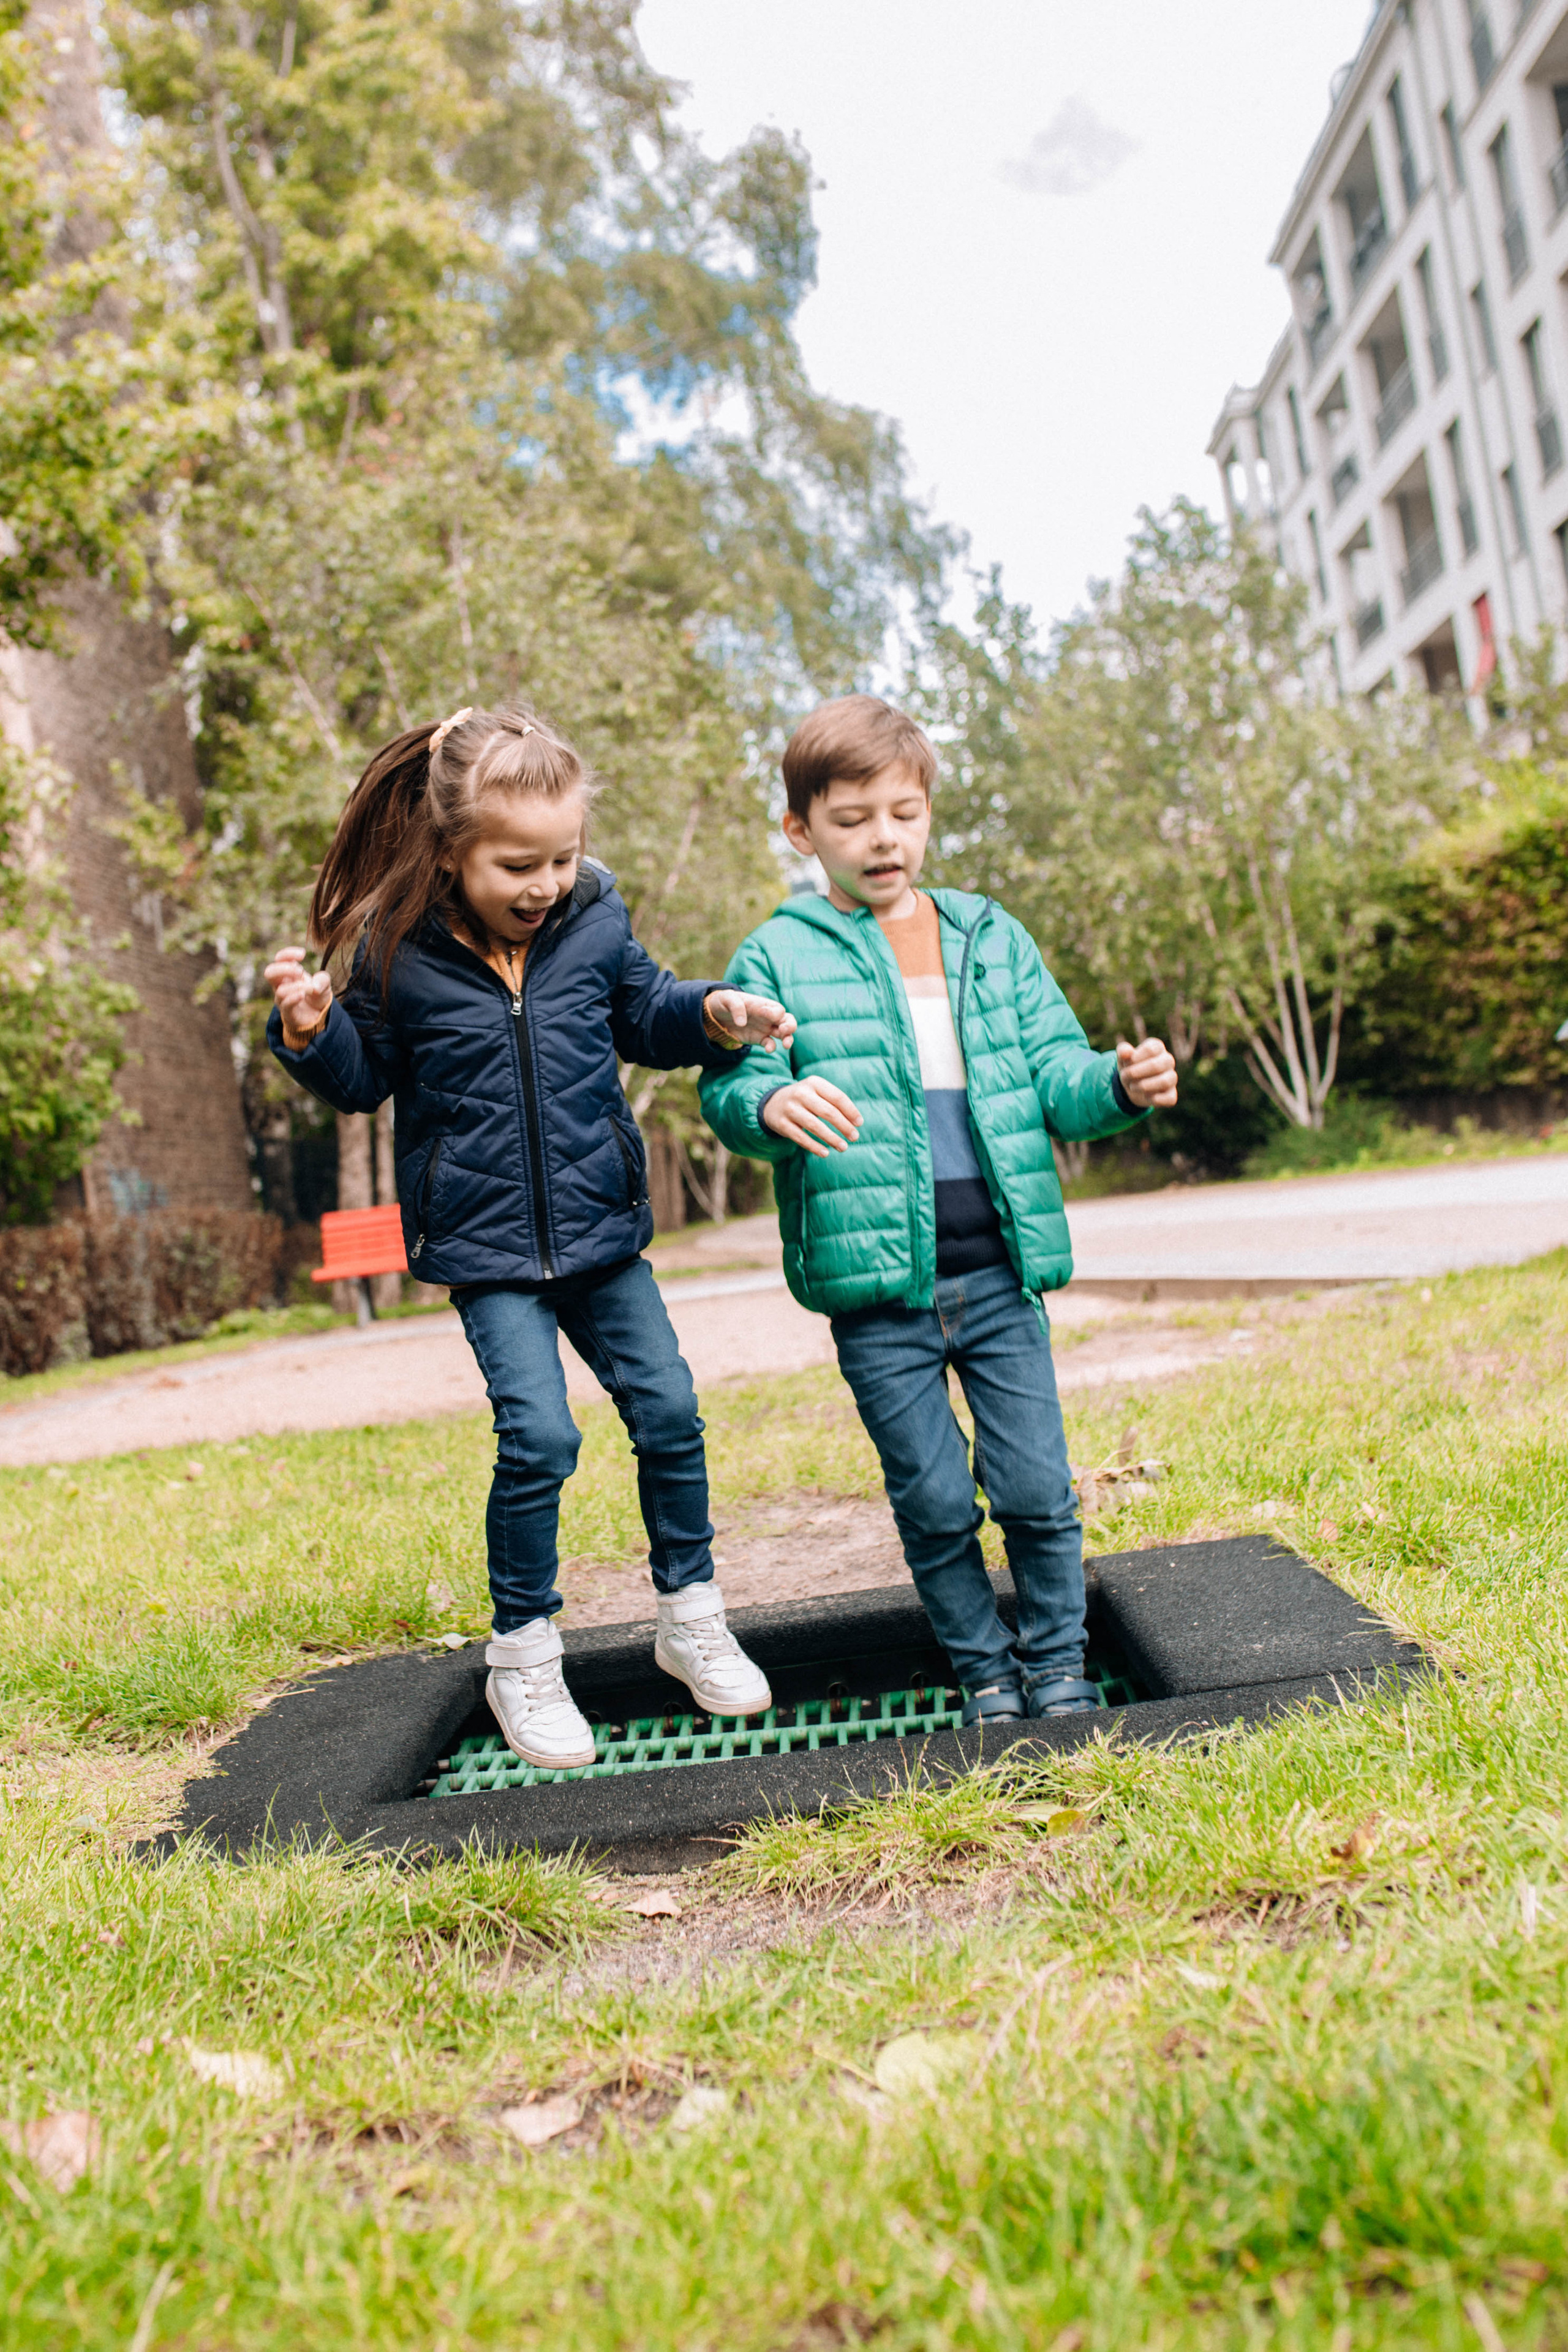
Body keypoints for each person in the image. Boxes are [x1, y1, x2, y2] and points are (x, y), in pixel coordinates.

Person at [265, 704, 793, 1768]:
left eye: (563, 856)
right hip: (485, 1248)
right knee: (542, 1439)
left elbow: (645, 1011)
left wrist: (715, 1013)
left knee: (670, 1409)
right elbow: (364, 1083)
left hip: (601, 1231)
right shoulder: (394, 950)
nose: (545, 882)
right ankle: (525, 1659)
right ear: (453, 851)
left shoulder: (592, 915)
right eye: (517, 864)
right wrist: (310, 1035)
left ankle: (690, 1617)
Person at [699, 695, 1178, 1724]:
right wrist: (768, 1099)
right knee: (930, 1501)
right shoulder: (778, 955)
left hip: (1002, 1274)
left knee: (1039, 1492)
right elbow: (734, 1092)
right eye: (853, 818)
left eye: (904, 813)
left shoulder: (987, 936)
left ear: (927, 814)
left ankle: (1056, 1666)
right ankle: (986, 1676)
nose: (884, 838)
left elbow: (1058, 1073)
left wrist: (1120, 1084)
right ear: (801, 832)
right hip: (879, 1293)